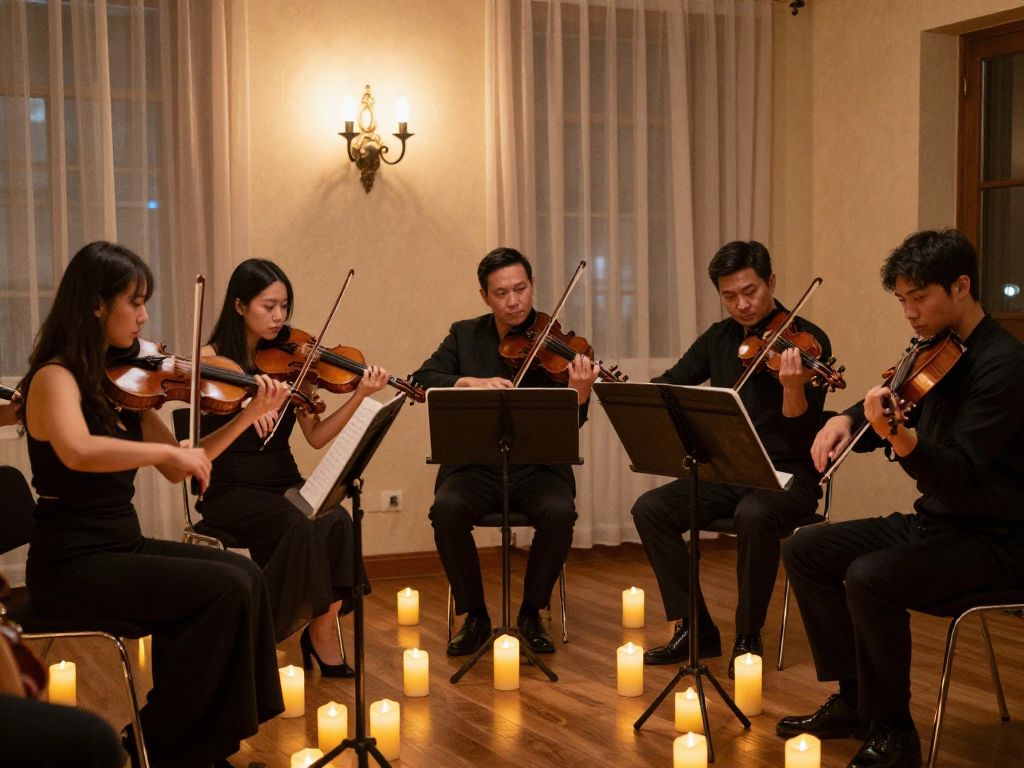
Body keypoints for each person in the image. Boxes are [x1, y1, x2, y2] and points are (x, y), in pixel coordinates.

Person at [16, 241, 286, 768]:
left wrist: (248, 411)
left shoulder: (122, 381)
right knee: (220, 589)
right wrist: (164, 450)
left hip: (120, 544)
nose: (143, 316)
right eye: (135, 302)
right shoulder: (54, 378)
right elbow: (78, 449)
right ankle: (165, 742)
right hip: (71, 563)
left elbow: (182, 460)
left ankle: (202, 745)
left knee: (244, 576)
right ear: (96, 304)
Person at [776, 229, 1024, 768]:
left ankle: (894, 731)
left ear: (961, 286)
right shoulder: (933, 350)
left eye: (919, 298)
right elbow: (893, 404)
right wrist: (846, 419)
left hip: (998, 538)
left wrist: (900, 438)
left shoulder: (1003, 365)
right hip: (940, 525)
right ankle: (857, 701)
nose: (909, 313)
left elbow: (954, 476)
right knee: (805, 549)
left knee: (871, 576)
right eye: (902, 301)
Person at [631, 240, 831, 677]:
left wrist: (793, 388)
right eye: (729, 296)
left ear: (771, 282)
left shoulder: (807, 342)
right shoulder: (719, 338)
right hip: (730, 468)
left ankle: (748, 632)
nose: (741, 305)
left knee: (755, 513)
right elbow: (670, 382)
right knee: (651, 509)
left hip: (789, 474)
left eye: (751, 292)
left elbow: (804, 436)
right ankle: (696, 626)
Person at [196, 258, 388, 676]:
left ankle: (319, 630)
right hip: (230, 489)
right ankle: (257, 634)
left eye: (284, 306)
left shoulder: (293, 361)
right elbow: (199, 432)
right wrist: (248, 405)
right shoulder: (208, 359)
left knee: (335, 518)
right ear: (239, 305)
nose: (279, 316)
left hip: (282, 482)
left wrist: (359, 396)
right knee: (302, 524)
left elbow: (316, 436)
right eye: (268, 306)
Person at [413, 246, 600, 656]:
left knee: (559, 512)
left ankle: (531, 611)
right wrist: (469, 383)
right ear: (485, 296)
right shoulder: (464, 334)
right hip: (475, 466)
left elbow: (570, 427)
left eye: (520, 289)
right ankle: (475, 615)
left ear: (532, 286)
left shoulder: (558, 343)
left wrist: (580, 395)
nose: (514, 301)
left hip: (538, 468)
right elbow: (422, 379)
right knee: (446, 510)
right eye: (501, 293)